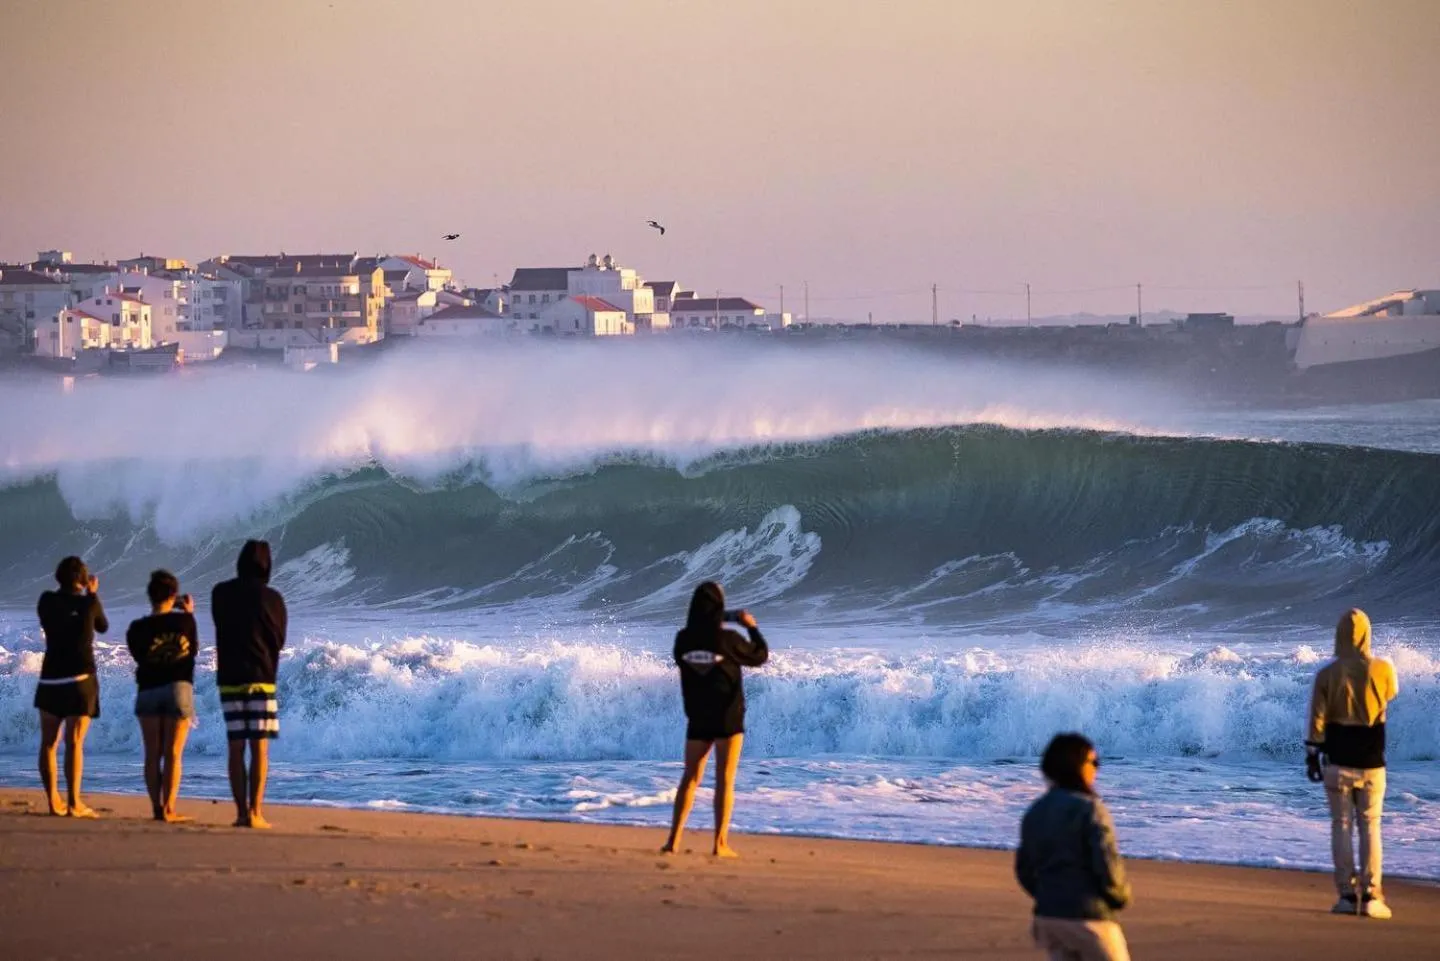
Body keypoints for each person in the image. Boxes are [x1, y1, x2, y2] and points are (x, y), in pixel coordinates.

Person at [660, 581, 769, 858]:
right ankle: (719, 844)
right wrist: (750, 626)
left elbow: (683, 660)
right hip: (728, 717)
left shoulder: (682, 640)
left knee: (690, 778)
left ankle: (673, 841)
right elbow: (760, 656)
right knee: (724, 779)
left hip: (698, 717)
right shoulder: (729, 640)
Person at [1306, 608, 1399, 919]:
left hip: (1338, 760)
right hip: (1372, 760)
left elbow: (1317, 722)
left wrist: (1311, 756)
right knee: (1370, 825)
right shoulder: (1383, 669)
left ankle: (1346, 895)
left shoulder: (1326, 675)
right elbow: (1391, 694)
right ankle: (1372, 895)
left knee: (1341, 826)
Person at [1016, 733, 1132, 961]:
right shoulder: (1090, 809)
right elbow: (1107, 865)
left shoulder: (1036, 811)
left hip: (1048, 918)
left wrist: (1047, 894)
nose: (1096, 769)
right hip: (1088, 917)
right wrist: (1120, 897)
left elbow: (1024, 869)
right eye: (1093, 762)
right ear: (1076, 766)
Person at [212, 540, 287, 829]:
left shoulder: (221, 593)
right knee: (259, 749)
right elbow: (278, 639)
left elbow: (221, 624)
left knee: (235, 747)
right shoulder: (273, 598)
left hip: (229, 678)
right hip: (261, 678)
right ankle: (255, 812)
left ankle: (241, 813)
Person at [35, 556, 108, 818]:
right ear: (83, 579)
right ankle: (74, 802)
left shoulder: (46, 601)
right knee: (74, 743)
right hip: (79, 680)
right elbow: (103, 626)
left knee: (48, 743)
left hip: (50, 679)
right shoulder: (88, 602)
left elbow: (51, 616)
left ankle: (54, 802)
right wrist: (93, 594)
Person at [126, 570, 200, 823]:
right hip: (178, 690)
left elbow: (138, 656)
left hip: (147, 690)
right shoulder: (185, 623)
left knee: (152, 753)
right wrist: (188, 613)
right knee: (173, 754)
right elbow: (193, 651)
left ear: (150, 596)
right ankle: (169, 808)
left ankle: (156, 808)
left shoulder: (137, 628)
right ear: (173, 595)